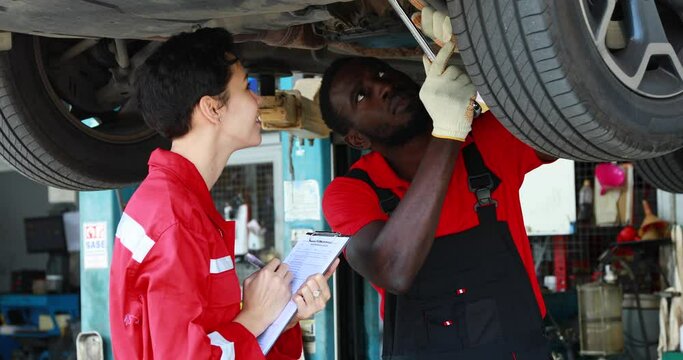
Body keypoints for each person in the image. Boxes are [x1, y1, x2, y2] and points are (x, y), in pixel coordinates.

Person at [320, 7, 556, 360]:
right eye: (361, 95)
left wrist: (482, 48)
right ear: (355, 139)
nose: (383, 86)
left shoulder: (486, 144)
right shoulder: (352, 192)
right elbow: (393, 269)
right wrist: (447, 132)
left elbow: (561, 119)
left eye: (382, 73)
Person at [109, 28, 338, 359]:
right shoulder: (174, 220)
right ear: (212, 109)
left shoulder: (180, 206)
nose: (258, 99)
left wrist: (283, 317)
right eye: (246, 87)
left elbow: (219, 341)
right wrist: (257, 315)